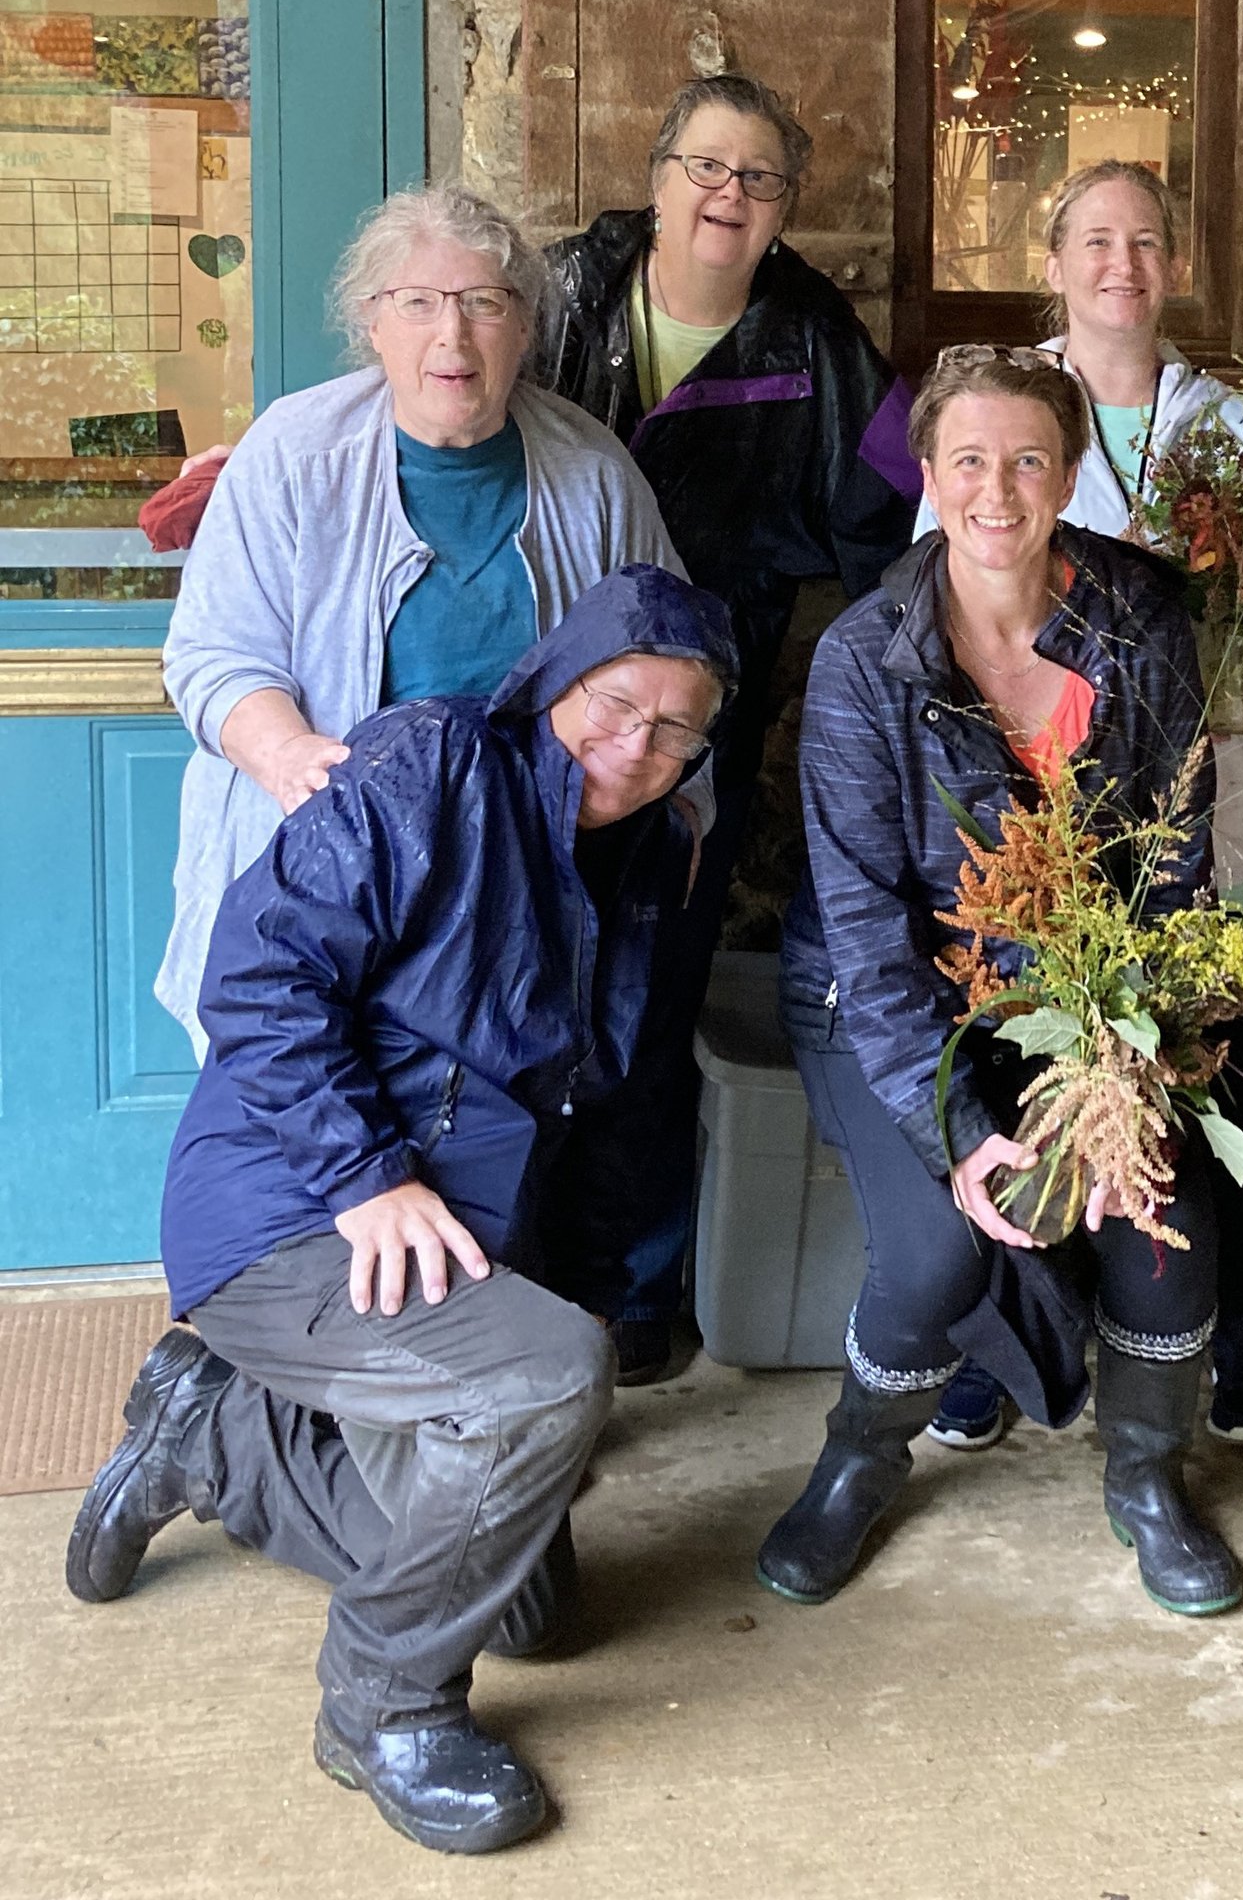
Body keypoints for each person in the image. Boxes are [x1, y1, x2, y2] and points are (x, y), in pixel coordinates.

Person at [66, 566, 739, 1855]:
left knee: (534, 1604)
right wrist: (367, 1173)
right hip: (291, 1204)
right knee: (540, 1385)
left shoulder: (652, 854)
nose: (634, 745)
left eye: (674, 728)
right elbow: (259, 979)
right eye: (614, 702)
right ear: (554, 681)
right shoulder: (430, 763)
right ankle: (381, 1706)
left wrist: (584, 1278)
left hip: (451, 1239)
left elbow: (601, 1102)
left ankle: (212, 1435)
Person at [759, 346, 1243, 1618]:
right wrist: (965, 1130)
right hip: (900, 1007)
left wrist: (1127, 1067)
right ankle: (858, 1459)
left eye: (1027, 458)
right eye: (967, 459)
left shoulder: (1140, 622)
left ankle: (1147, 1474)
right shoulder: (869, 658)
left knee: (1161, 1219)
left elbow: (1174, 862)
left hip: (1091, 999)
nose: (997, 488)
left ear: (1070, 474)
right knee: (936, 1253)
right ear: (927, 475)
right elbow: (865, 931)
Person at [912, 159, 1243, 1453]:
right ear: (1055, 258)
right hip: (1049, 799)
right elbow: (939, 594)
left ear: (1175, 264)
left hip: (1215, 780)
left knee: (1224, 1056)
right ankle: (1019, 1320)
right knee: (1039, 1045)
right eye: (1094, 239)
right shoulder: (995, 406)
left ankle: (1239, 1318)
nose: (1121, 264)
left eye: (1145, 240)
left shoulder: (1233, 427)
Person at [538, 73, 920, 1381]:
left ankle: (639, 1293)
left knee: (648, 1005)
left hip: (697, 737)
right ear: (654, 179)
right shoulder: (558, 299)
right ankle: (511, 1278)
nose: (728, 197)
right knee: (512, 990)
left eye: (759, 180)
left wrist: (896, 695)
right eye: (706, 166)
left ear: (784, 210)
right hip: (539, 723)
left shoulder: (816, 344)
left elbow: (896, 525)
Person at [157, 183, 685, 1059]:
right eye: (419, 303)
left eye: (486, 303)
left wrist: (680, 812)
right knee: (294, 1128)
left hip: (511, 895)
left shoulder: (592, 472)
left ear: (525, 329)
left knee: (476, 1150)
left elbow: (670, 651)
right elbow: (212, 657)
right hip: (308, 874)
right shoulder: (292, 453)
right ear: (373, 323)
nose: (454, 335)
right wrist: (290, 757)